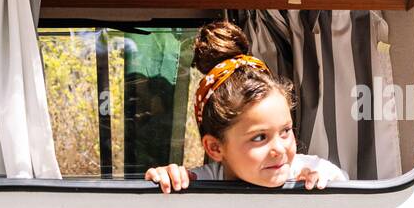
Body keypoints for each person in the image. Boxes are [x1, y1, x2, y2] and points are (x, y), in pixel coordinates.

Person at [145, 20, 347, 192]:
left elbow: (337, 180)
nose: (279, 148)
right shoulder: (199, 183)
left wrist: (321, 186)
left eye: (285, 131)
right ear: (215, 147)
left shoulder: (309, 172)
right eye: (259, 137)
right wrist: (166, 178)